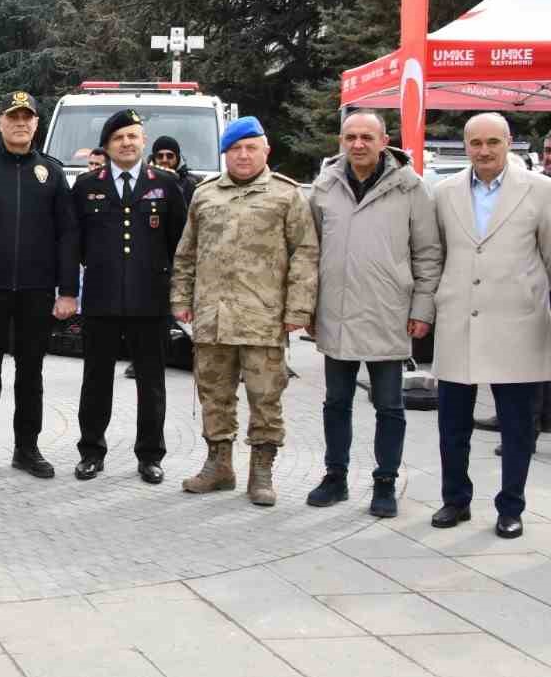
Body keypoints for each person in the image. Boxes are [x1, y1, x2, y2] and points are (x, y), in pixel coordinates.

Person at [172, 116, 318, 506]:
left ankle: (261, 472)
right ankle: (219, 465)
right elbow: (187, 253)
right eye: (235, 149)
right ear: (225, 154)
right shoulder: (205, 195)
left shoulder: (286, 195)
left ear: (265, 150)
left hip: (263, 318)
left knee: (265, 398)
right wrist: (181, 300)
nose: (243, 155)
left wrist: (298, 308)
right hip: (212, 318)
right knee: (213, 395)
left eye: (251, 147)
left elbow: (305, 255)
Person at [307, 112, 440, 518]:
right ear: (341, 140)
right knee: (336, 403)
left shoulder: (410, 187)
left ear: (385, 141)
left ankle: (385, 481)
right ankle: (336, 476)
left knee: (389, 406)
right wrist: (309, 308)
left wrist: (422, 308)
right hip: (338, 313)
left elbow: (428, 254)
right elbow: (310, 253)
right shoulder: (324, 186)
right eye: (351, 136)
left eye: (367, 136)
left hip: (389, 312)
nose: (358, 144)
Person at [429, 112, 551, 540]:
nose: (483, 151)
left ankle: (511, 506)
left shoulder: (541, 192)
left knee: (518, 426)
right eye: (475, 143)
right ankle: (455, 500)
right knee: (452, 424)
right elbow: (436, 257)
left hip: (519, 325)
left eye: (492, 143)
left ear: (509, 143)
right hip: (459, 321)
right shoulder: (444, 193)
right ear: (465, 145)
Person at [0, 91, 79, 479]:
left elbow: (67, 236)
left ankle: (27, 448)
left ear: (37, 124)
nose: (20, 123)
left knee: (31, 374)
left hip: (36, 292)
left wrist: (68, 291)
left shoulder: (53, 173)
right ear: (0, 123)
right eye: (13, 117)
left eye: (28, 117)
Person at [72, 109, 188, 484]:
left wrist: (181, 296)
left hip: (150, 302)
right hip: (101, 301)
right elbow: (72, 246)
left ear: (143, 141)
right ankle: (91, 451)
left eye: (133, 136)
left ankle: (150, 455)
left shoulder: (167, 186)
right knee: (95, 380)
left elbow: (180, 247)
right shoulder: (87, 186)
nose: (126, 143)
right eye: (119, 137)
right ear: (106, 146)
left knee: (152, 383)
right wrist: (67, 293)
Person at [149, 135, 200, 205]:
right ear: (154, 158)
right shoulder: (142, 181)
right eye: (160, 156)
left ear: (177, 158)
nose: (164, 160)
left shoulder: (193, 184)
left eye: (169, 156)